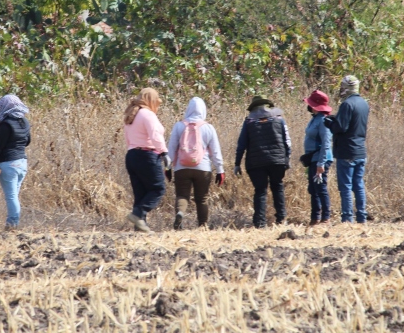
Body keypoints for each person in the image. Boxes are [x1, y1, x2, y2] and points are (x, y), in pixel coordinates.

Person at [167, 97, 225, 230]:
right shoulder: (209, 128)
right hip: (203, 168)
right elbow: (215, 152)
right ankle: (202, 226)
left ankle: (180, 214)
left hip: (181, 167)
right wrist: (220, 170)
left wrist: (168, 167)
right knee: (202, 198)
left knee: (182, 195)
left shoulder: (179, 126)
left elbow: (171, 149)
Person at [234, 95, 291, 228]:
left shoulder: (249, 122)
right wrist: (287, 158)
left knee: (260, 190)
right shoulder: (279, 119)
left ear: (253, 108)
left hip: (256, 162)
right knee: (278, 187)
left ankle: (260, 223)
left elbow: (241, 144)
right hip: (277, 160)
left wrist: (237, 163)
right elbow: (287, 141)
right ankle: (282, 220)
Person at [0, 94, 31, 231]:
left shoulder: (5, 125)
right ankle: (13, 223)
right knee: (14, 195)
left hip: (8, 165)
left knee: (11, 196)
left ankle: (12, 225)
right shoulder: (24, 122)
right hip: (22, 164)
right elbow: (27, 141)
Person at [323, 75, 370, 224]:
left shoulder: (347, 104)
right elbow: (353, 124)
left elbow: (340, 127)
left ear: (346, 88)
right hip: (360, 150)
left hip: (346, 151)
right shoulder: (364, 104)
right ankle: (362, 217)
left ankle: (347, 218)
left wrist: (329, 122)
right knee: (359, 185)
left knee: (346, 186)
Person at [123, 88, 170, 232]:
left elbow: (128, 138)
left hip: (131, 156)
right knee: (158, 189)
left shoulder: (132, 114)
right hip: (147, 155)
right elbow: (155, 135)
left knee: (140, 193)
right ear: (151, 100)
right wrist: (164, 153)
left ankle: (140, 226)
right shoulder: (147, 114)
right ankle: (137, 214)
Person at [302, 90, 333, 226]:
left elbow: (326, 143)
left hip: (320, 159)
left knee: (320, 188)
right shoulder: (314, 119)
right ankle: (315, 218)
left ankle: (325, 217)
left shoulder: (323, 120)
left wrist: (321, 163)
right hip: (313, 158)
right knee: (313, 189)